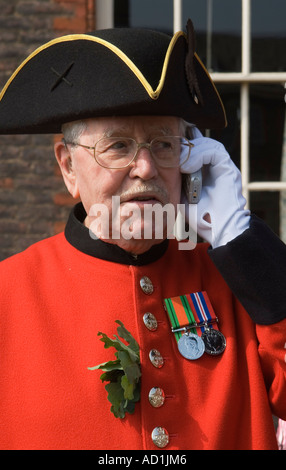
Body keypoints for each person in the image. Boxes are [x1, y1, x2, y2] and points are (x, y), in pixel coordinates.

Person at [0, 19, 285, 450]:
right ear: (68, 167)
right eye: (118, 146)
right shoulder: (10, 292)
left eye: (164, 145)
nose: (147, 168)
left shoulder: (240, 281)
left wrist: (242, 240)